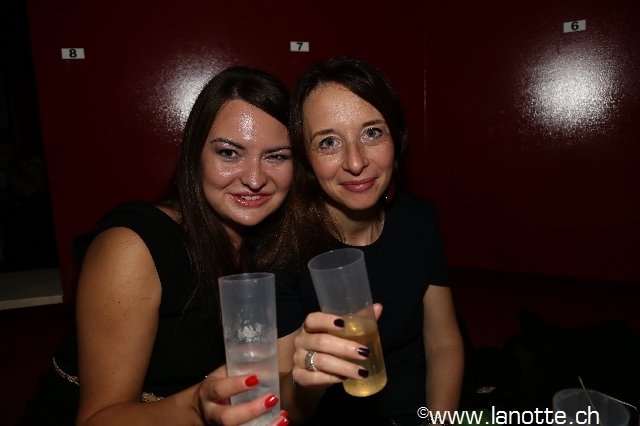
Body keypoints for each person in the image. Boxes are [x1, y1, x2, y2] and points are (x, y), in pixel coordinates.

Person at [17, 66, 292, 426]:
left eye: (276, 156)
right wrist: (196, 407)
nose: (254, 179)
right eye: (229, 153)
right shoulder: (133, 248)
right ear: (194, 156)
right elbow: (98, 420)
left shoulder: (272, 245)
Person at [258, 57, 464, 425]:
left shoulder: (419, 220)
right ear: (305, 158)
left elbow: (443, 343)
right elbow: (283, 401)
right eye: (328, 142)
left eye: (372, 133)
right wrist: (309, 378)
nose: (355, 163)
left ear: (395, 136)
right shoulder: (279, 250)